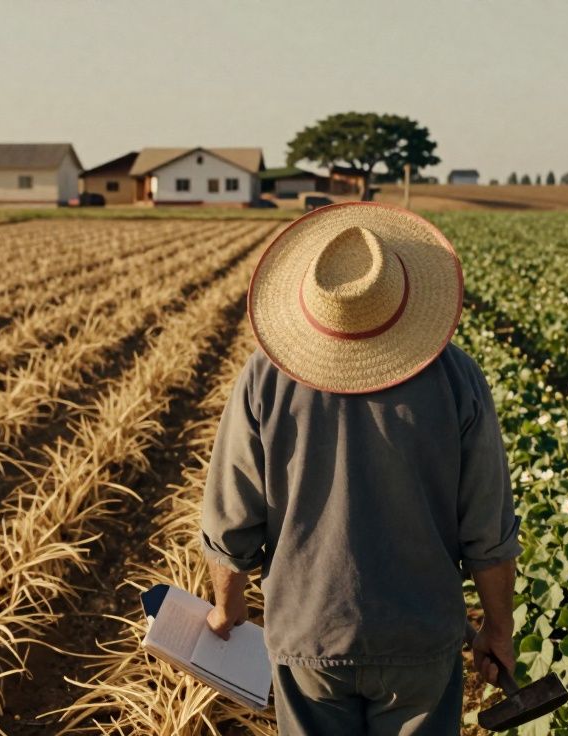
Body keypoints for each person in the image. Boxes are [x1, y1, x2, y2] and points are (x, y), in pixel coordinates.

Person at [200, 202, 521, 735]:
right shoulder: (456, 375)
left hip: (310, 635)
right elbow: (488, 525)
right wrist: (498, 628)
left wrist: (227, 605)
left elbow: (232, 516)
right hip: (419, 636)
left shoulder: (265, 377)